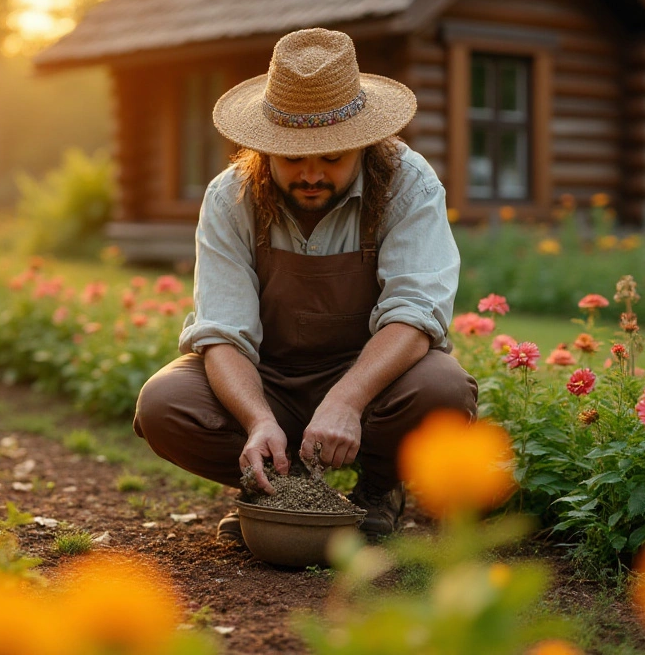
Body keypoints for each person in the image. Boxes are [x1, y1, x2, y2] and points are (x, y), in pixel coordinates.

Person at [133, 28, 477, 543]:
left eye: (332, 157)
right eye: (293, 158)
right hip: (267, 378)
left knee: (444, 391)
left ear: (363, 142)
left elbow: (414, 314)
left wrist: (347, 400)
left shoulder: (410, 183)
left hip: (375, 378)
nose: (312, 174)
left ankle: (378, 490)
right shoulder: (230, 198)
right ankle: (277, 486)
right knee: (163, 405)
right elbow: (223, 334)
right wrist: (256, 420)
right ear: (265, 148)